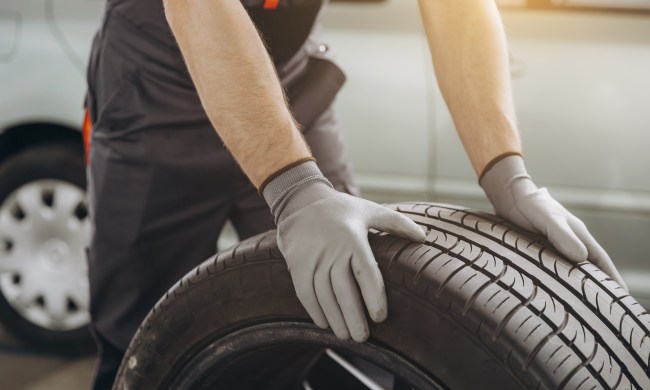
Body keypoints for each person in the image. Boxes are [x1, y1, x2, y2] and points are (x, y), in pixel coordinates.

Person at [85, 0, 627, 388]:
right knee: (140, 344)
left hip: (283, 74)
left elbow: (457, 7)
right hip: (158, 85)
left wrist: (506, 174)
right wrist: (296, 188)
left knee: (353, 300)